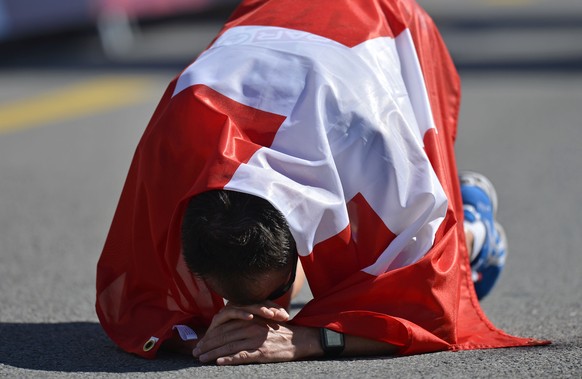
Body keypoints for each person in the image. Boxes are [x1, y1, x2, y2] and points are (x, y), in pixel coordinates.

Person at [96, 0, 548, 365]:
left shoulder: (373, 143)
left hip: (383, 24)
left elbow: (433, 304)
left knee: (400, 254)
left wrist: (307, 341)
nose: (262, 312)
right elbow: (139, 294)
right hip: (273, 28)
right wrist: (213, 328)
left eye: (273, 296)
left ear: (306, 238)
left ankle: (473, 227)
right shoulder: (170, 145)